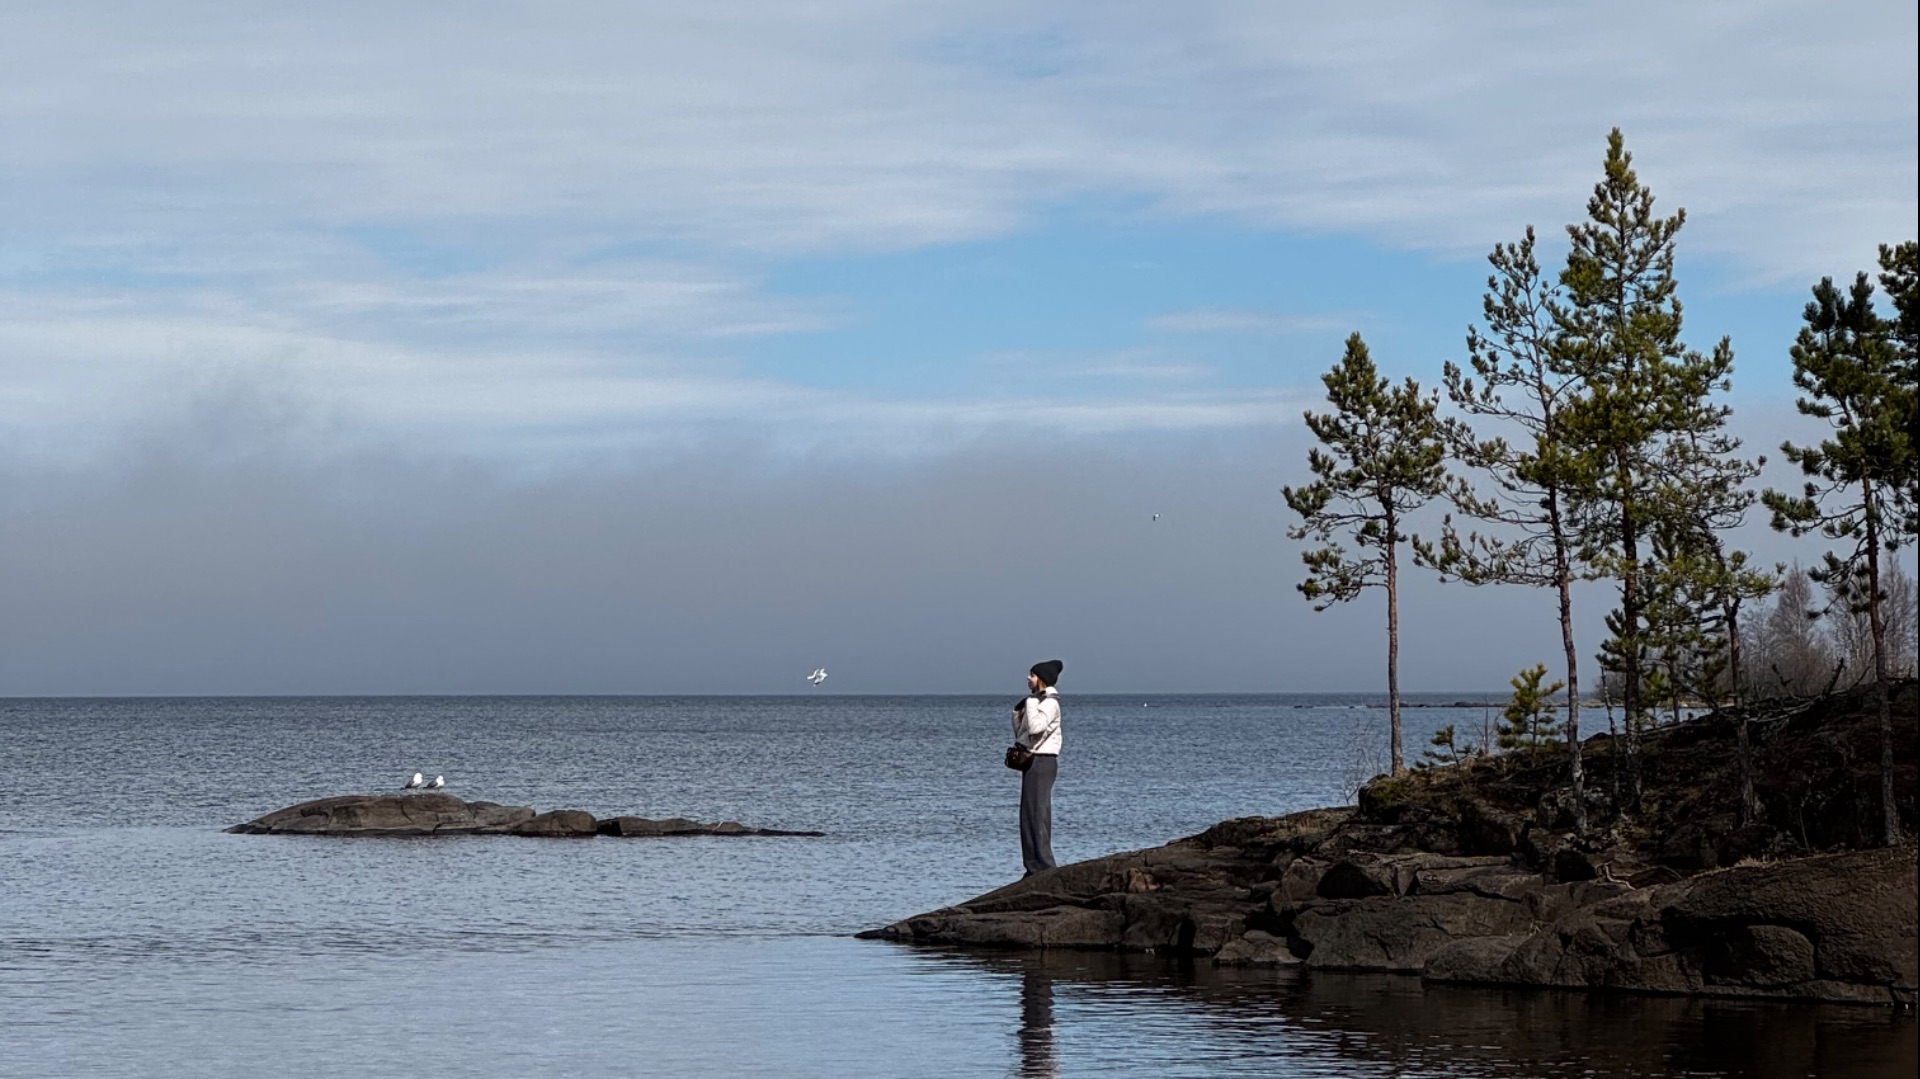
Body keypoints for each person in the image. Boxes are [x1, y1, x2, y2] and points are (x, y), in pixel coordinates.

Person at [1013, 659, 1064, 876]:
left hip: (1043, 761)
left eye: (1032, 675)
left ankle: (1044, 865)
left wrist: (1031, 703)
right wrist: (1017, 715)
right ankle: (1032, 864)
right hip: (1034, 761)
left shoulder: (1049, 703)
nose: (1028, 678)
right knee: (1028, 814)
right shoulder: (1038, 702)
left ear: (1041, 680)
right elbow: (1022, 736)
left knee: (1037, 813)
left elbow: (1035, 728)